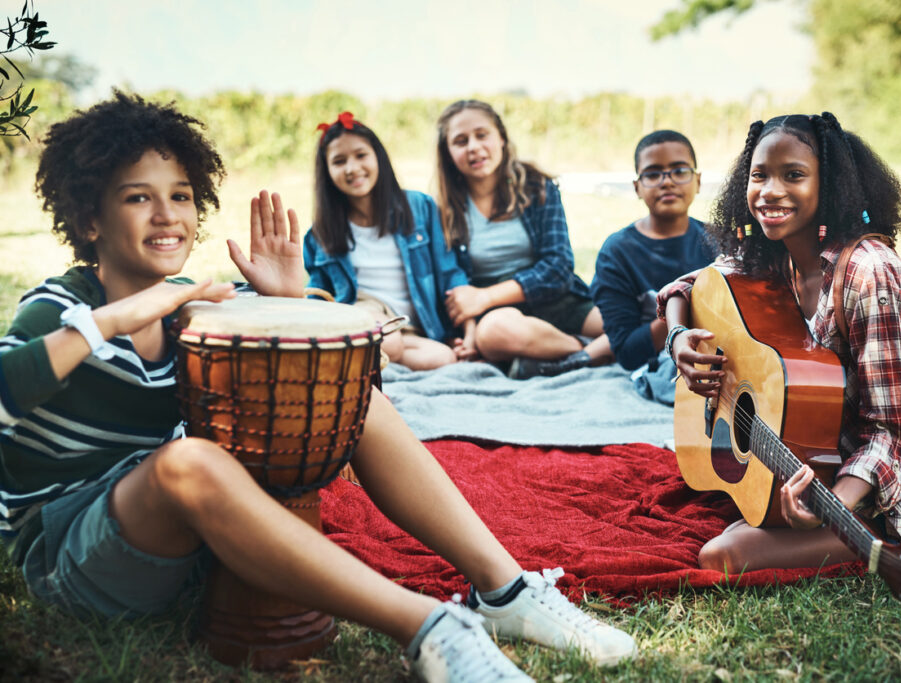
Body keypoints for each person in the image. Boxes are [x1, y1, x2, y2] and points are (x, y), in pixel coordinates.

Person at [0, 92, 636, 681]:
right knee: (186, 462)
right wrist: (112, 320)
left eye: (183, 195)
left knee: (357, 400)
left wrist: (286, 296)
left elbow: (315, 360)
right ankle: (433, 629)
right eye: (138, 197)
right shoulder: (58, 310)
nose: (168, 215)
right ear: (89, 218)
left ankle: (506, 591)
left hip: (184, 545)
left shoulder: (187, 308)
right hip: (71, 553)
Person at [658, 112, 901, 573]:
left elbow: (893, 432)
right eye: (759, 176)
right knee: (733, 527)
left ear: (831, 187)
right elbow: (686, 287)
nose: (769, 192)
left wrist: (832, 505)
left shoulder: (868, 274)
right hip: (817, 456)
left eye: (794, 176)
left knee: (724, 554)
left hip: (896, 493)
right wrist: (678, 337)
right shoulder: (769, 253)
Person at [434, 99, 612, 378]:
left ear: (501, 138)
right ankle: (586, 352)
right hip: (497, 316)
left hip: (555, 298)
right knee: (493, 333)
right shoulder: (443, 209)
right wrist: (469, 332)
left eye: (482, 135)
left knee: (632, 322)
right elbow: (453, 283)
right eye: (460, 141)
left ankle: (560, 354)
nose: (473, 147)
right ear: (447, 153)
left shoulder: (538, 187)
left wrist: (485, 296)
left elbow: (558, 267)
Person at [303, 112, 468, 371]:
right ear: (327, 172)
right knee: (388, 341)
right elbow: (318, 295)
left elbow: (449, 271)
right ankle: (377, 352)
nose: (352, 168)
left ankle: (374, 361)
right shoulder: (320, 234)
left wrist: (468, 329)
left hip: (410, 325)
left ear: (378, 156)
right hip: (363, 311)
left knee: (443, 358)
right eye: (339, 161)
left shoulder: (419, 207)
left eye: (361, 155)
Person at [591, 129, 715, 373]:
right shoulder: (616, 253)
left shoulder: (721, 242)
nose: (666, 181)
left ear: (698, 181)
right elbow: (627, 353)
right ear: (637, 187)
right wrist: (684, 310)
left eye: (679, 171)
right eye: (653, 174)